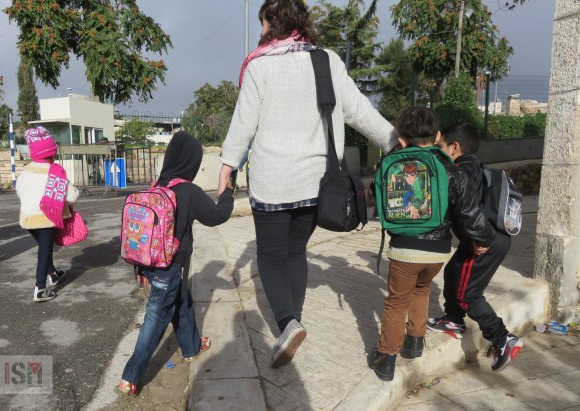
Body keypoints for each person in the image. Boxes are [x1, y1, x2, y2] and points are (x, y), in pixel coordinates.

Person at [217, 0, 398, 369]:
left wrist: (227, 165)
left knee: (269, 255)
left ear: (274, 22)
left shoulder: (260, 66)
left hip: (272, 180)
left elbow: (243, 123)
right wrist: (394, 140)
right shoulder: (326, 60)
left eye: (263, 23)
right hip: (317, 182)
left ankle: (287, 323)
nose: (261, 31)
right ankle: (293, 323)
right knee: (296, 251)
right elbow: (359, 110)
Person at [367, 107, 495, 382]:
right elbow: (469, 209)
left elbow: (375, 194)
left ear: (402, 137)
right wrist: (482, 239)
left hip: (403, 247)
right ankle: (414, 342)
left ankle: (385, 357)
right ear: (437, 135)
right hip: (437, 251)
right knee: (422, 290)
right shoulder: (448, 167)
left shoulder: (392, 163)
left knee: (396, 302)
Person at [119, 131, 234, 396]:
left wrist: (141, 268)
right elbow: (217, 216)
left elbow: (144, 234)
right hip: (170, 266)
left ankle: (191, 347)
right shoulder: (189, 191)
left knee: (182, 299)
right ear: (192, 162)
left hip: (152, 263)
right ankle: (130, 376)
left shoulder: (157, 186)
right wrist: (226, 194)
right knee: (157, 314)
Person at [428, 122, 523, 372]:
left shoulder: (463, 169)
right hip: (489, 236)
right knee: (452, 272)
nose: (438, 151)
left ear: (455, 147)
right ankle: (453, 320)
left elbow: (469, 207)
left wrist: (479, 239)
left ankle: (503, 338)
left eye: (441, 146)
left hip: (483, 239)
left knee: (468, 294)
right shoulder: (472, 166)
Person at [16, 126, 80, 302]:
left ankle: (53, 273)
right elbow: (72, 196)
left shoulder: (26, 171)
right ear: (52, 152)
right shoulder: (55, 173)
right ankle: (40, 289)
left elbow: (19, 190)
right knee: (44, 253)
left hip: (28, 219)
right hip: (46, 219)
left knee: (45, 248)